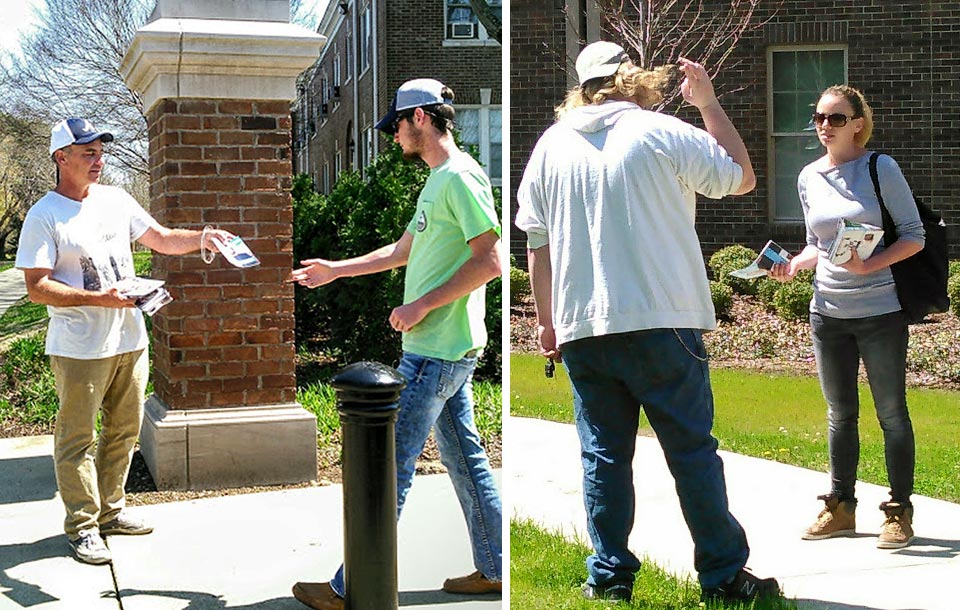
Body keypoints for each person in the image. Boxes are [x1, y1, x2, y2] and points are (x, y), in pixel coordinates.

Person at [515, 41, 780, 603]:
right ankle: (725, 577)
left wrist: (546, 323)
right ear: (631, 79)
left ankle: (609, 579)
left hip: (583, 325)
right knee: (690, 453)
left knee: (604, 457)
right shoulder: (660, 131)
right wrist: (708, 104)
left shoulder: (550, 145)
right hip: (665, 320)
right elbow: (742, 177)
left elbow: (536, 243)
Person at [289, 78, 503, 610]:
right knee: (467, 461)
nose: (392, 137)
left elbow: (490, 262)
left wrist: (421, 306)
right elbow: (404, 249)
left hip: (435, 349)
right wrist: (336, 270)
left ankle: (350, 588)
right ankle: (498, 567)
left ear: (422, 119)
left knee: (388, 465)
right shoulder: (438, 180)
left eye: (397, 126)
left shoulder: (459, 178)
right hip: (446, 350)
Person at [14, 118, 234, 565]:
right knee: (77, 440)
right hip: (79, 348)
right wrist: (98, 298)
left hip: (130, 340)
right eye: (88, 153)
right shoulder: (44, 215)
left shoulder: (115, 199)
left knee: (123, 431)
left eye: (100, 152)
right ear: (62, 158)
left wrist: (202, 238)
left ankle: (111, 512)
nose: (99, 160)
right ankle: (82, 526)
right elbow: (37, 287)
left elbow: (162, 239)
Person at [770, 85, 924, 549]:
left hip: (879, 310)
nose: (824, 126)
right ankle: (840, 507)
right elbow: (819, 245)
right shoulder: (808, 176)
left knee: (892, 413)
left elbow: (914, 236)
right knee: (839, 414)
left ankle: (898, 511)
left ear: (858, 123)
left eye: (836, 118)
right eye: (818, 117)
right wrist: (794, 264)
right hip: (828, 313)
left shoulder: (880, 168)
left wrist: (868, 265)